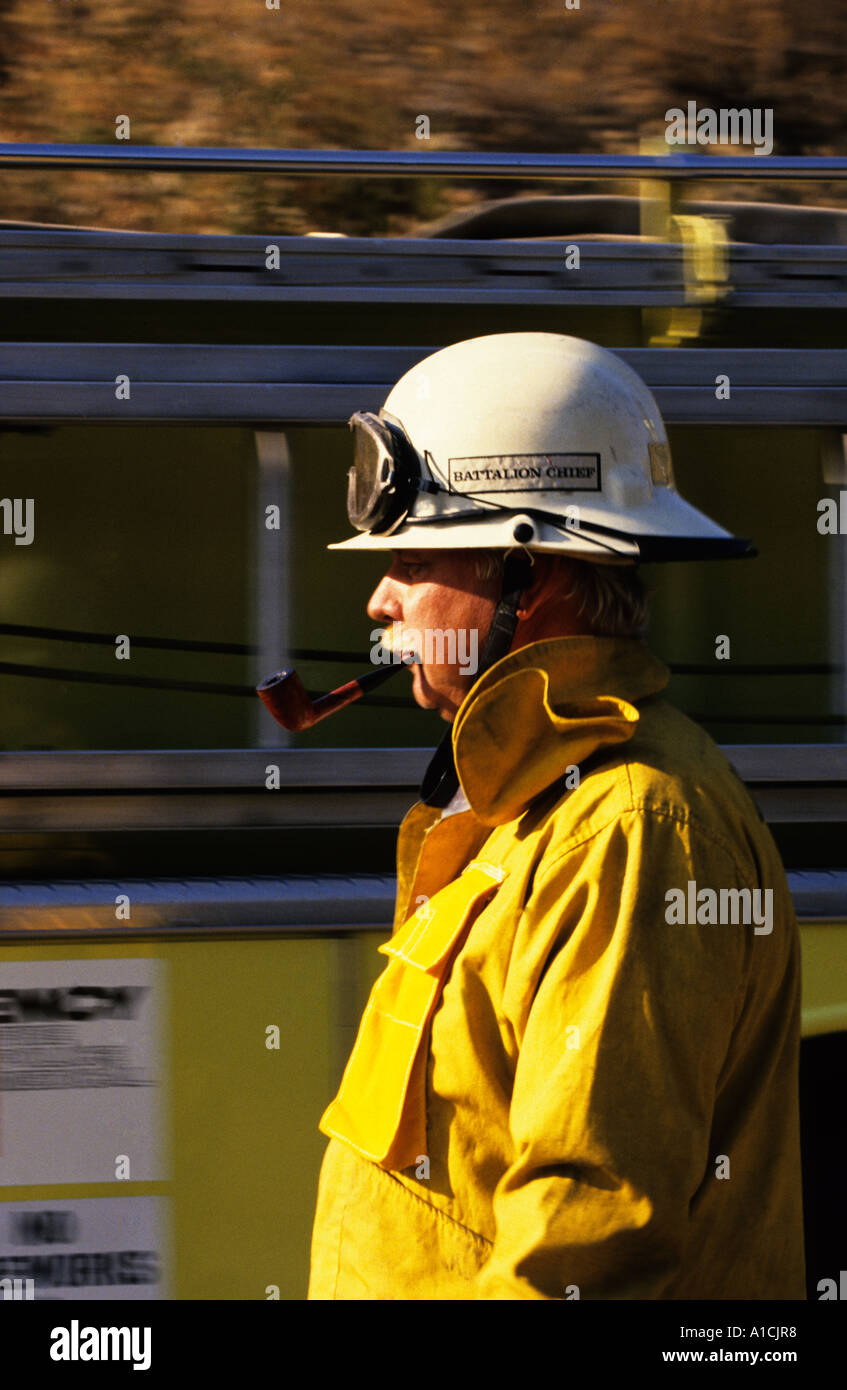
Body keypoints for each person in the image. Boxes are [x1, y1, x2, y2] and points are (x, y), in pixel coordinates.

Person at [307, 332, 805, 1300]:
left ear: (535, 582)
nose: (379, 595)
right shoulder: (523, 801)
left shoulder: (630, 828)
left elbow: (587, 1227)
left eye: (415, 556)